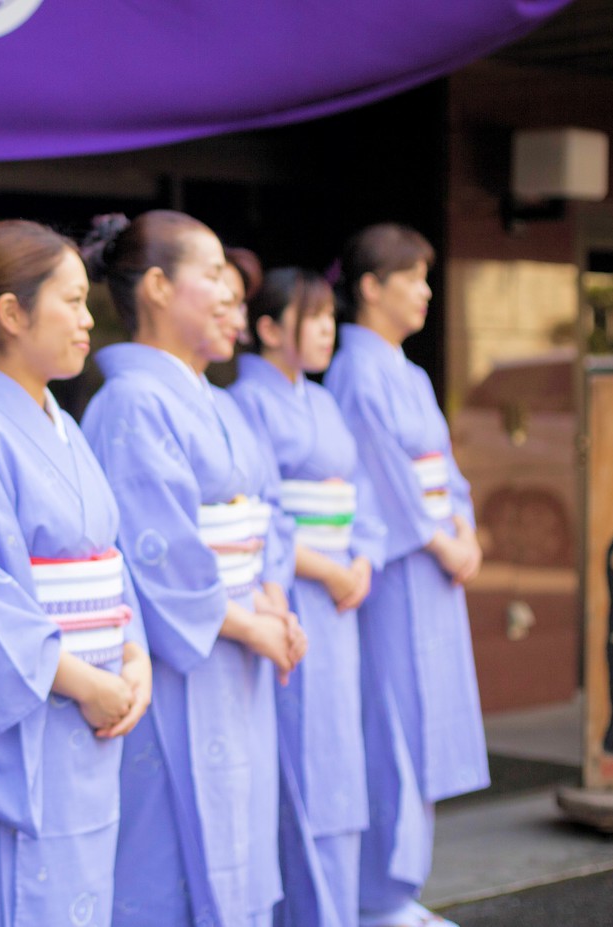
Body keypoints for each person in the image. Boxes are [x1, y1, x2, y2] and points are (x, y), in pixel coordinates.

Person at [0, 219, 152, 927]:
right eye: (72, 302)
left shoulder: (63, 424)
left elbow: (110, 565)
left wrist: (133, 655)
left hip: (91, 710)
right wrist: (92, 682)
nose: (88, 321)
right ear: (12, 314)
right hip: (31, 724)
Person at [78, 211, 305, 927]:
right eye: (211, 277)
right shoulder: (130, 402)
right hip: (185, 662)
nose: (230, 297)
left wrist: (271, 597)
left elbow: (269, 510)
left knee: (239, 833)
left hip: (240, 648)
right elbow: (156, 552)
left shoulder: (217, 401)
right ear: (155, 286)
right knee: (167, 856)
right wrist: (254, 623)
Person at [323, 224, 488, 927]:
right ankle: (377, 897)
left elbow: (441, 468)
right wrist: (439, 539)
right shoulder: (356, 372)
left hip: (433, 567)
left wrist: (465, 528)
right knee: (390, 721)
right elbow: (385, 476)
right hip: (396, 572)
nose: (425, 290)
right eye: (412, 277)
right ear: (370, 286)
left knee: (425, 722)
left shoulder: (408, 371)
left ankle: (402, 889)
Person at [231, 268, 385, 927]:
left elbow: (364, 497)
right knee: (302, 764)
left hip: (342, 596)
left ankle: (342, 910)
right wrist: (327, 568)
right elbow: (259, 516)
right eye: (312, 317)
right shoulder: (247, 401)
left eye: (330, 316)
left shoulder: (324, 402)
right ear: (268, 329)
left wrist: (364, 560)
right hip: (293, 592)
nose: (328, 329)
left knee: (340, 757)